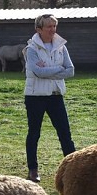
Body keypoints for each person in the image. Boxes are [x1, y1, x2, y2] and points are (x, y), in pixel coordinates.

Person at [24, 13, 76, 183]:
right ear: (39, 29)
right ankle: (33, 170)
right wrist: (58, 69)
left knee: (65, 134)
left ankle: (74, 170)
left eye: (54, 26)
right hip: (35, 97)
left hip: (56, 95)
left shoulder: (62, 46)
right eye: (49, 26)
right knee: (34, 133)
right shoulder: (31, 49)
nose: (53, 30)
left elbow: (71, 70)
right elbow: (37, 72)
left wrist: (49, 70)